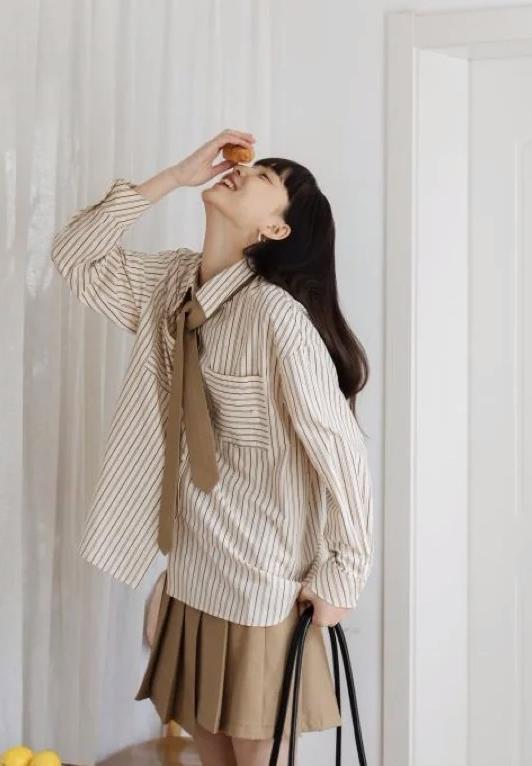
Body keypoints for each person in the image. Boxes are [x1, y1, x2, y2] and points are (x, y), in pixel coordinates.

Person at [51, 129, 374, 766]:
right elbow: (74, 257)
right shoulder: (171, 284)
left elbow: (340, 451)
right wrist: (173, 176)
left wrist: (346, 571)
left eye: (265, 178)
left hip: (264, 586)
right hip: (194, 575)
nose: (244, 171)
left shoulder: (276, 317)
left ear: (276, 230)